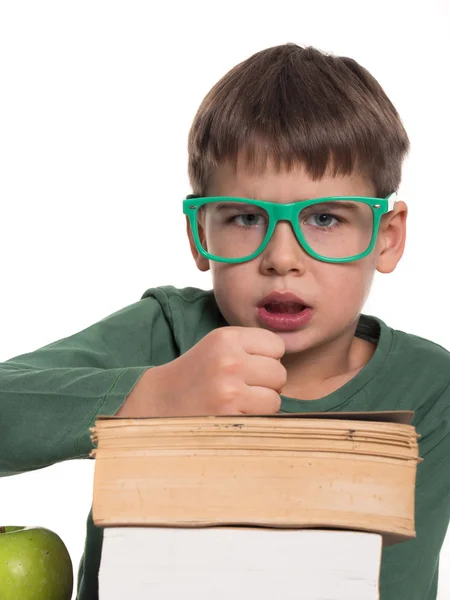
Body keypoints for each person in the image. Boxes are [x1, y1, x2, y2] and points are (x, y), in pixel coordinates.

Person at [1, 43, 449, 600]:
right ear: (200, 235)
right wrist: (152, 395)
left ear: (386, 237)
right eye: (244, 217)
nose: (283, 257)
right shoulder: (164, 334)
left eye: (325, 218)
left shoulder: (434, 389)